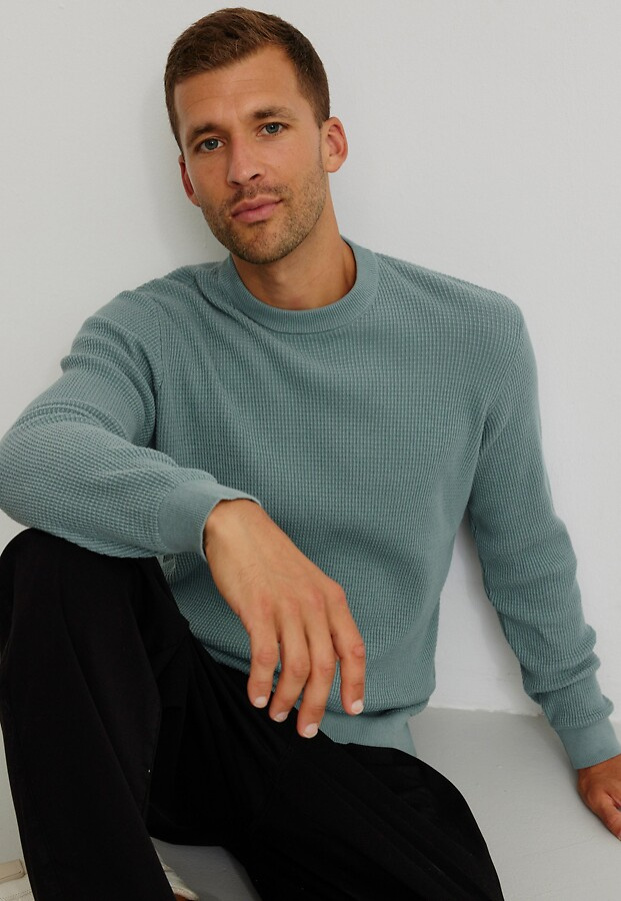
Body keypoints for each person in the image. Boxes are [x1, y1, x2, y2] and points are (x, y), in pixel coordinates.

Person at [0, 7, 619, 900]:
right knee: (51, 562)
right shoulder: (148, 327)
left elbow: (525, 553)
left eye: (270, 127)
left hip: (348, 749)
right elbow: (32, 454)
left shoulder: (473, 334)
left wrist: (593, 739)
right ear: (187, 178)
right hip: (185, 718)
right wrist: (222, 517)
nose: (242, 167)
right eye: (209, 142)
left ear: (330, 142)